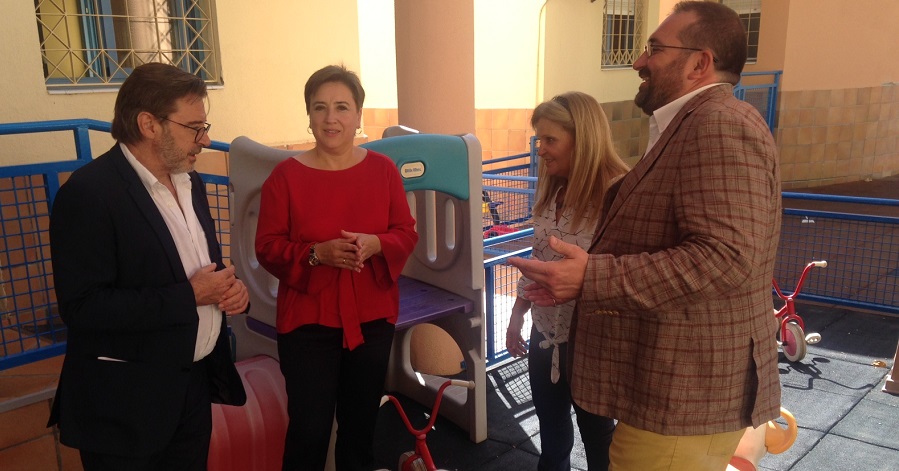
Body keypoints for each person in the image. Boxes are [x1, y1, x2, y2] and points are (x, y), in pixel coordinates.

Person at [509, 2, 782, 470]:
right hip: (667, 394)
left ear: (700, 62)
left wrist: (591, 277)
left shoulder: (720, 126)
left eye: (654, 48)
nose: (638, 61)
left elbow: (726, 258)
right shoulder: (691, 126)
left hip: (684, 403)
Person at [48, 62, 249, 470]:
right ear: (148, 124)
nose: (206, 139)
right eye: (195, 127)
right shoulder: (89, 194)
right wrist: (191, 295)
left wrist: (230, 288)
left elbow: (196, 267)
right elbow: (83, 307)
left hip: (190, 384)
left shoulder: (190, 183)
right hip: (126, 402)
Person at [254, 64, 418, 471]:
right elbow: (267, 247)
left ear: (359, 115)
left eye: (342, 107)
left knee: (360, 429)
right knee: (309, 431)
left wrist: (377, 243)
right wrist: (316, 254)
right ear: (308, 115)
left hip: (371, 319)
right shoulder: (285, 177)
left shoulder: (382, 171)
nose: (331, 118)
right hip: (308, 321)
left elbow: (406, 233)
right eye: (320, 107)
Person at [505, 92, 628, 471]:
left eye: (550, 139)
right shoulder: (553, 189)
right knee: (552, 431)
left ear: (583, 138)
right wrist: (516, 315)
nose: (540, 149)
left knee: (597, 436)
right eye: (539, 139)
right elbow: (540, 262)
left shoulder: (619, 194)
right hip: (546, 334)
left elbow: (631, 273)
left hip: (593, 339)